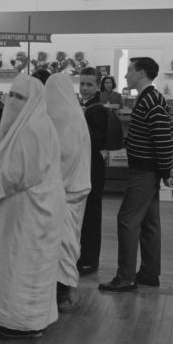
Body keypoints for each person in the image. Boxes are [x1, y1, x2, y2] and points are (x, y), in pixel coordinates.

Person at [0, 74, 65, 338]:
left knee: (20, 266)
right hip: (31, 209)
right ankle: (18, 320)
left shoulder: (32, 128)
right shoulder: (35, 123)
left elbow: (18, 174)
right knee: (18, 265)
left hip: (29, 212)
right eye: (12, 95)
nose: (12, 102)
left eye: (20, 97)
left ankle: (20, 322)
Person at [99, 57, 173, 293]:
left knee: (126, 220)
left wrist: (166, 169)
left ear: (141, 73)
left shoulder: (152, 100)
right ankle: (148, 273)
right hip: (147, 169)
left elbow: (163, 138)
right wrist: (165, 167)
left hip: (144, 171)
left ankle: (125, 277)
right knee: (148, 223)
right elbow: (158, 137)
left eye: (129, 71)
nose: (125, 75)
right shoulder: (149, 99)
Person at [45, 73, 91, 312]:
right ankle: (64, 287)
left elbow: (64, 155)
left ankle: (68, 290)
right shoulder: (76, 114)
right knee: (70, 239)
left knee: (64, 241)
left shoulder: (64, 117)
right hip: (77, 186)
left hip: (66, 189)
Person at [77, 67, 107, 276]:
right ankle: (84, 257)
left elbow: (95, 140)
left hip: (92, 167)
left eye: (89, 84)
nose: (85, 88)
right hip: (85, 165)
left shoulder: (96, 109)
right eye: (82, 84)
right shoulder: (83, 106)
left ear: (97, 86)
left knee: (91, 214)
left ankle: (89, 259)